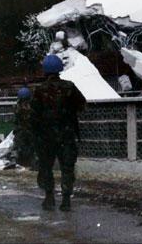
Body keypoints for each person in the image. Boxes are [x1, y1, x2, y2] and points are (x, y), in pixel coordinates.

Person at [31, 55, 86, 212]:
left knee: (46, 167)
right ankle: (66, 200)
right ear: (60, 69)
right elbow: (82, 105)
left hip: (46, 137)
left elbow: (33, 115)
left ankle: (49, 198)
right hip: (66, 135)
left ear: (45, 71)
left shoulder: (39, 90)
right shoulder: (70, 87)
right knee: (67, 168)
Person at [13, 86, 35, 169]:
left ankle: (26, 163)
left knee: (25, 147)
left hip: (26, 130)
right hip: (25, 130)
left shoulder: (20, 106)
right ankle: (24, 162)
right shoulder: (21, 107)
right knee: (24, 147)